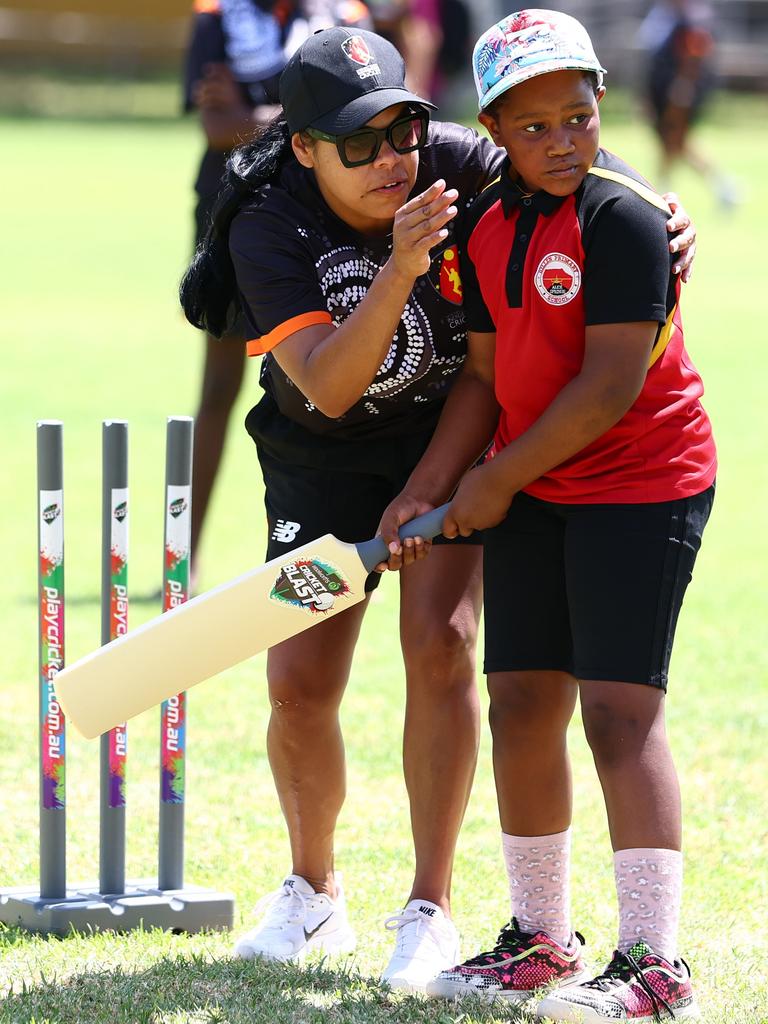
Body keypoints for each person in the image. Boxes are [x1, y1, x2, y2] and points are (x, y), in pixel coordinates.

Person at [180, 25, 698, 991]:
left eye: (404, 131)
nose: (392, 158)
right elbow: (331, 388)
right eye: (358, 143)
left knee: (442, 642)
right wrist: (402, 269)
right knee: (298, 681)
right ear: (303, 147)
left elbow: (567, 151)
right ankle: (312, 889)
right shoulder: (264, 219)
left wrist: (658, 216)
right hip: (320, 454)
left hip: (447, 435)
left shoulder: (457, 162)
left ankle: (430, 903)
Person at [378, 10, 715, 1019]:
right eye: (536, 127)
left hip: (641, 482)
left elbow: (607, 387)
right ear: (495, 126)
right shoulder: (484, 225)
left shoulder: (625, 217)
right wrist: (431, 483)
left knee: (619, 709)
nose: (565, 140)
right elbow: (482, 380)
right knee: (524, 699)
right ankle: (541, 937)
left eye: (580, 114)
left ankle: (655, 963)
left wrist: (494, 480)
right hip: (531, 485)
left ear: (603, 102)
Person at [183, 0, 373, 579]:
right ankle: (182, 556)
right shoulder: (216, 16)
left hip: (331, 220)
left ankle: (332, 541)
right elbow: (217, 128)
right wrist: (302, 121)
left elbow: (364, 119)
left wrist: (250, 112)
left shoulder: (348, 16)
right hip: (233, 215)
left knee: (329, 380)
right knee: (219, 388)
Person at [639, 0, 738, 207]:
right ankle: (722, 186)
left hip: (678, 91)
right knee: (673, 142)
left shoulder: (693, 16)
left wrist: (683, 86)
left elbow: (695, 55)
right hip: (661, 88)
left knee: (674, 139)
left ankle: (663, 191)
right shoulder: (665, 13)